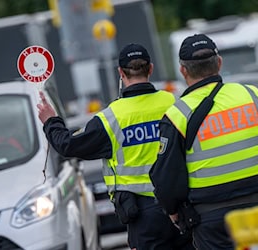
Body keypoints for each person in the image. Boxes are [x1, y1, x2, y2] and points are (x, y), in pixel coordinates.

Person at [37, 43, 194, 250]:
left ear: (120, 72)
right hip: (182, 206)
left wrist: (51, 121)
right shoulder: (174, 103)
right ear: (151, 68)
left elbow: (67, 145)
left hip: (142, 215)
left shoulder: (111, 118)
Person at [149, 33, 258, 250]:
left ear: (183, 70)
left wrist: (174, 213)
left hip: (213, 217)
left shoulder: (177, 115)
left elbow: (167, 177)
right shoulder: (254, 96)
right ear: (219, 63)